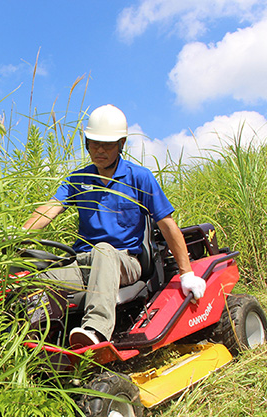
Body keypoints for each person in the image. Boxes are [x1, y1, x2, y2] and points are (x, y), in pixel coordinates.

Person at [22, 104, 206, 348]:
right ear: (86, 143)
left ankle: (95, 331)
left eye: (107, 145)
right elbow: (49, 209)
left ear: (121, 144)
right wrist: (20, 234)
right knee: (35, 279)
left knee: (104, 250)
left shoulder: (139, 177)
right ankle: (28, 339)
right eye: (94, 143)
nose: (100, 150)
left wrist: (187, 273)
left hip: (124, 262)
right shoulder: (78, 179)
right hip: (83, 263)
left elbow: (167, 225)